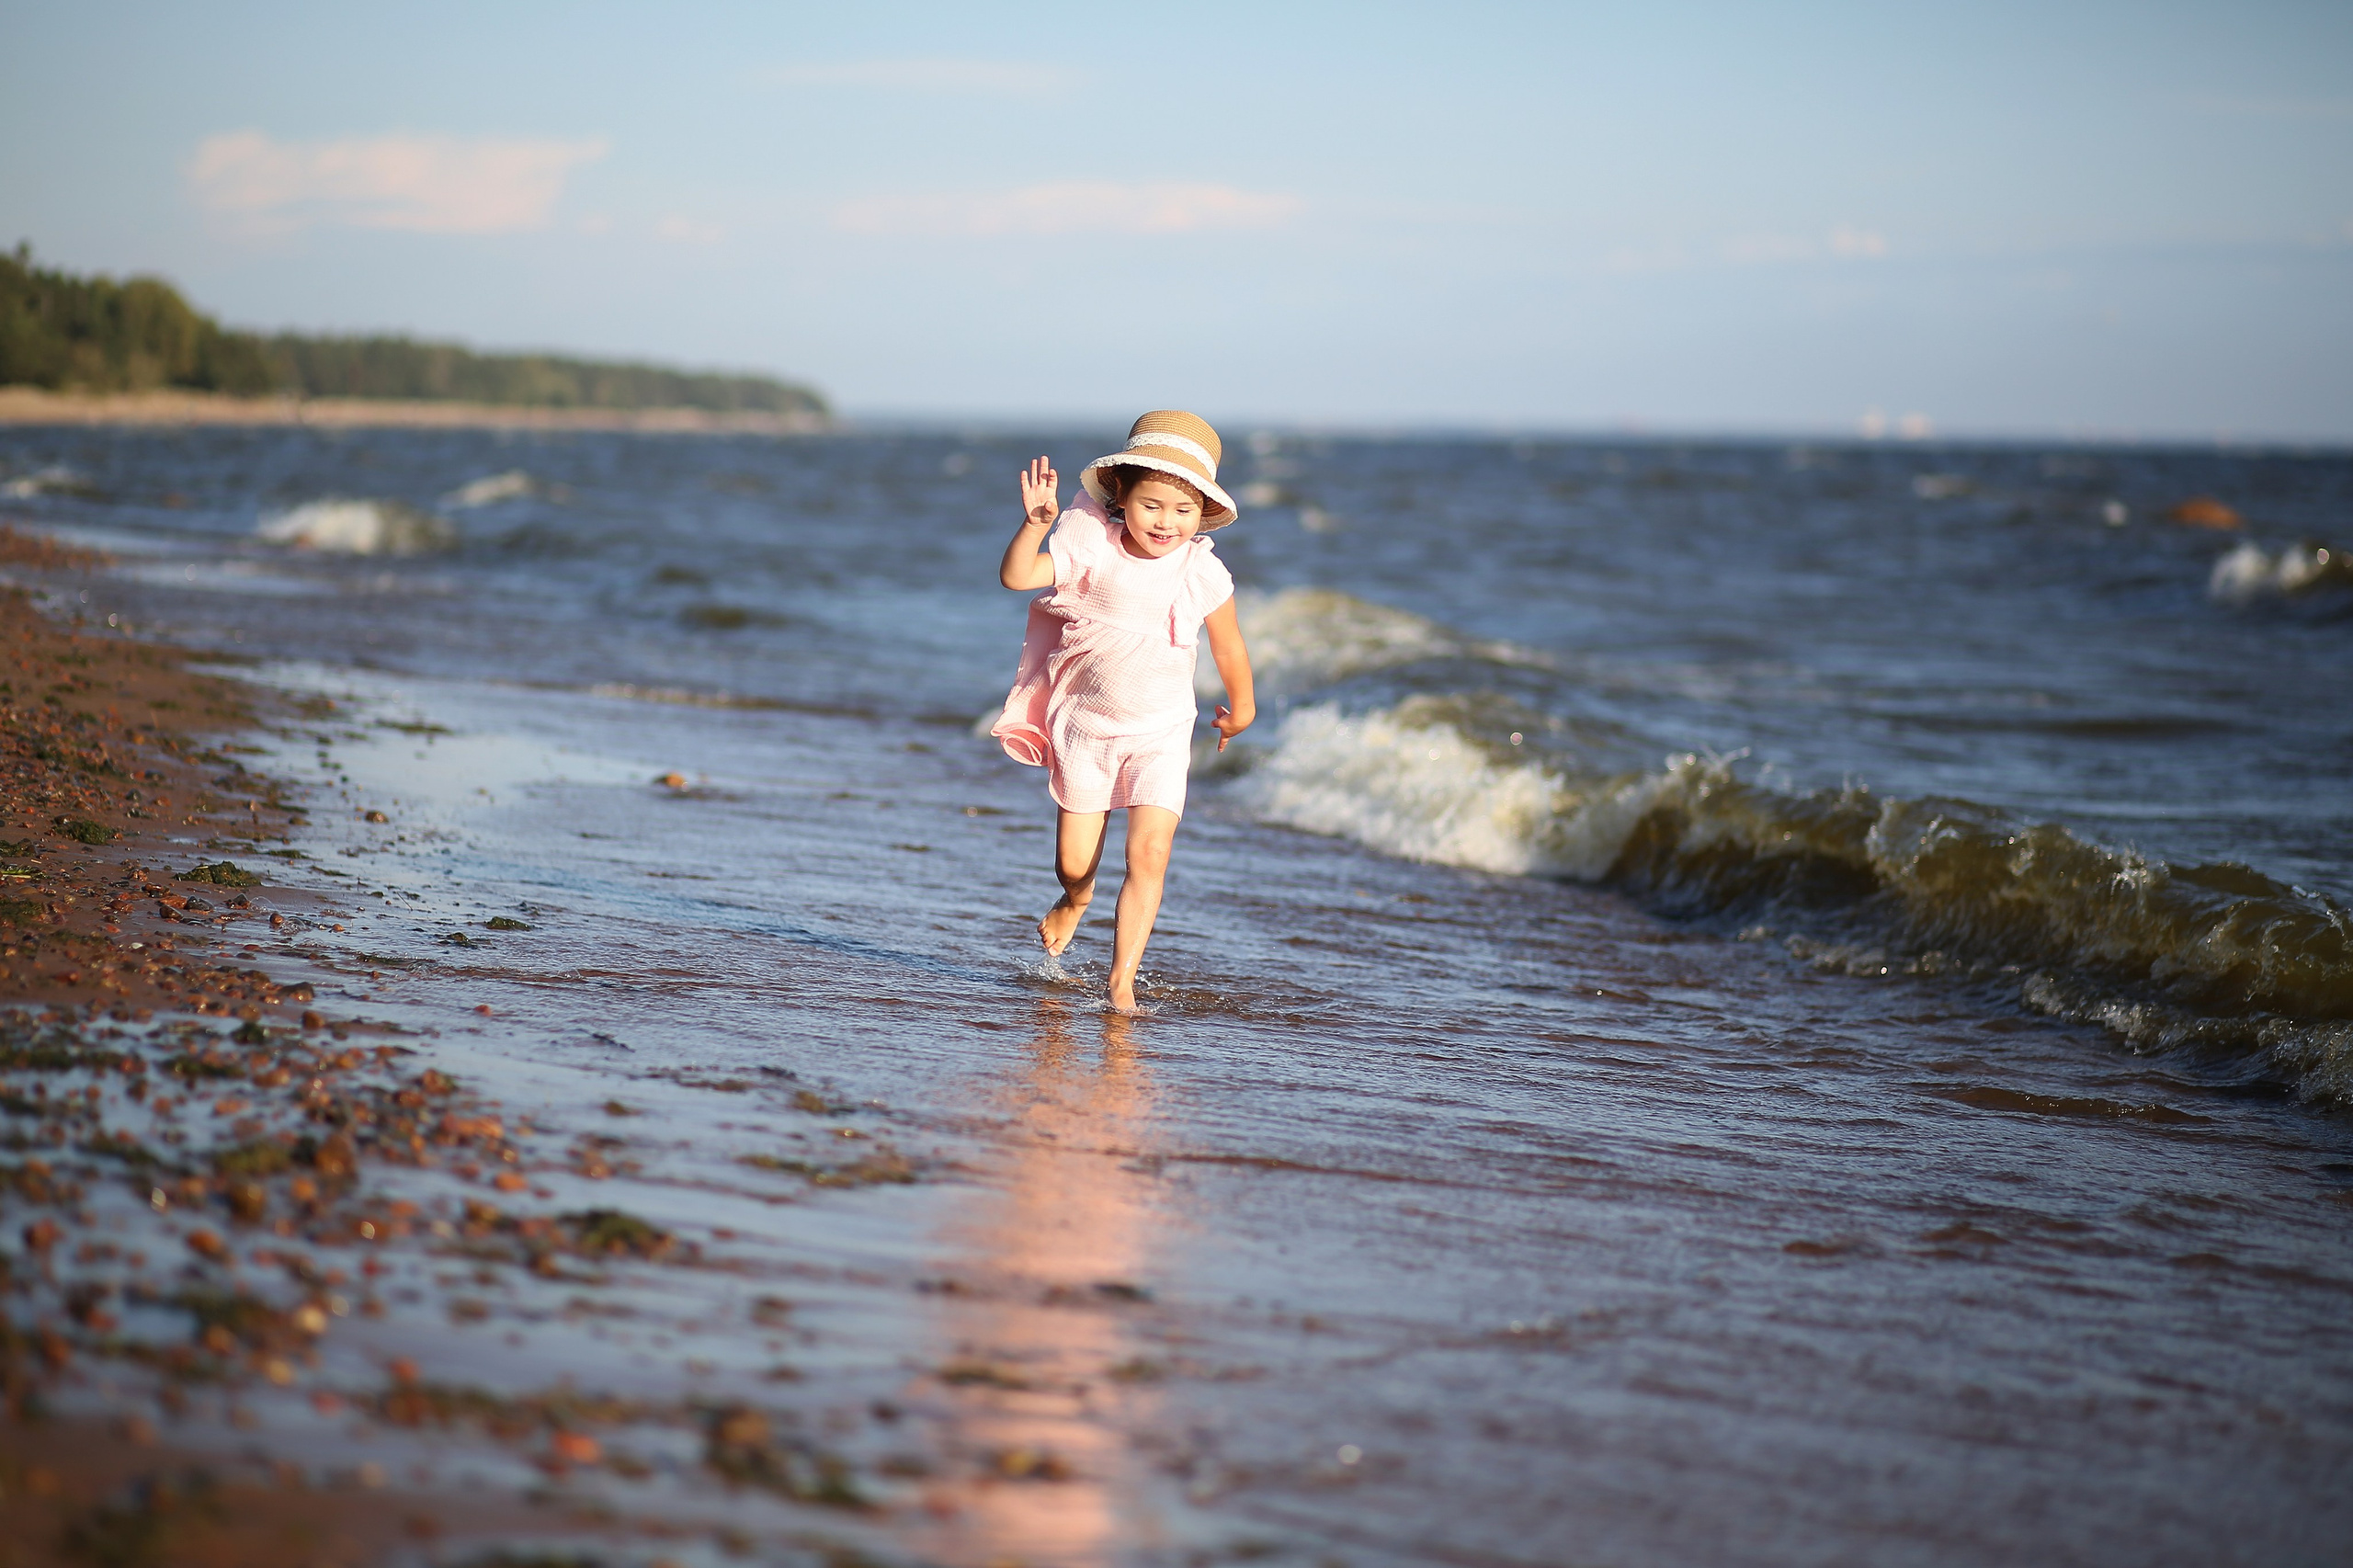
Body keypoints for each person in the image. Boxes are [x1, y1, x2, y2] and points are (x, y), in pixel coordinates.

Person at [993, 410, 1256, 1012]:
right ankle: (1075, 900)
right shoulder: (1090, 543)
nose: (1167, 522)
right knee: (1073, 863)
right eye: (1153, 505)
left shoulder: (1202, 572)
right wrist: (1034, 527)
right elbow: (1017, 577)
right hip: (1085, 729)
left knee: (1150, 854)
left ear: (1203, 514)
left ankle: (1121, 984)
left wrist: (1242, 707)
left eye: (1183, 511)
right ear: (1122, 498)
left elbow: (1231, 644)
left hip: (1161, 734)